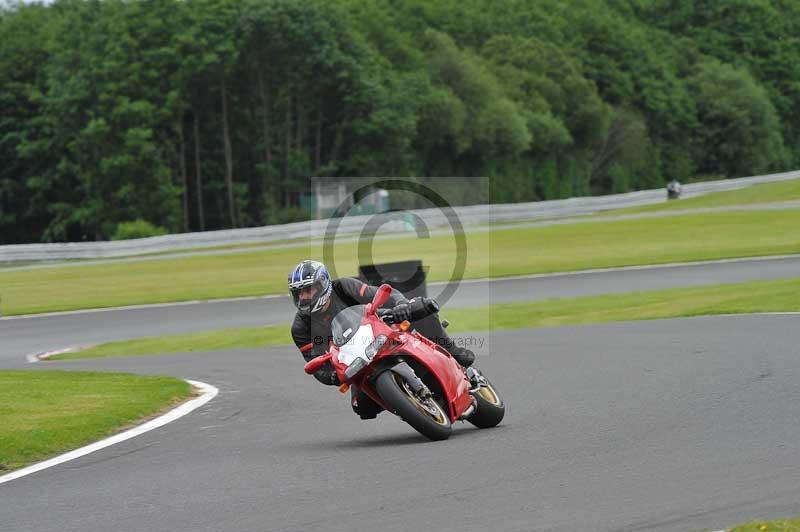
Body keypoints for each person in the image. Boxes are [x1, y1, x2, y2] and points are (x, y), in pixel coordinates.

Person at [288, 259, 475, 419]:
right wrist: (331, 376)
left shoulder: (343, 287)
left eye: (308, 290)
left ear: (323, 285)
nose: (304, 297)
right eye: (299, 293)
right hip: (356, 360)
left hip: (380, 326)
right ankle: (410, 406)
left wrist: (402, 305)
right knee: (362, 408)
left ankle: (452, 350)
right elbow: (315, 363)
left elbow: (384, 294)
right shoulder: (300, 327)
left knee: (421, 308)